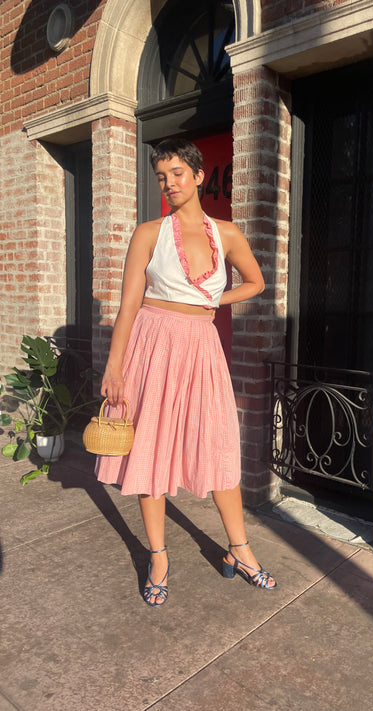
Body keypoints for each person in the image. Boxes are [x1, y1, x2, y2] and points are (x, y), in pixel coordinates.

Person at [95, 138, 276, 606]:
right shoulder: (149, 233)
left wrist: (215, 300)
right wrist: (115, 366)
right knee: (151, 448)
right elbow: (129, 303)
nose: (169, 183)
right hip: (153, 344)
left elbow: (255, 282)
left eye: (177, 173)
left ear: (198, 176)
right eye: (162, 176)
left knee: (218, 443)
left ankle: (239, 548)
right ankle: (158, 556)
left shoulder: (228, 234)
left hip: (201, 346)